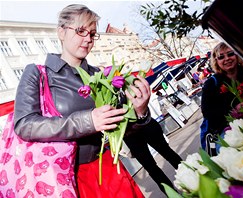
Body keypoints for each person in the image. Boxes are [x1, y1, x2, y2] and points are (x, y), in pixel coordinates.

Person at [13, 4, 152, 198]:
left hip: (109, 171)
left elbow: (119, 131)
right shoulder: (37, 73)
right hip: (67, 178)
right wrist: (89, 121)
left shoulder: (102, 75)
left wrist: (139, 112)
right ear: (61, 32)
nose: (88, 39)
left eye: (93, 34)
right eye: (80, 31)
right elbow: (24, 125)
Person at [200, 41, 243, 152]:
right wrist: (233, 110)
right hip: (228, 128)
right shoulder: (211, 84)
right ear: (216, 61)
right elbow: (208, 112)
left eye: (230, 54)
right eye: (221, 57)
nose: (227, 59)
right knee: (228, 151)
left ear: (237, 55)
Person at [123, 118, 182, 195]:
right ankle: (172, 194)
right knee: (151, 168)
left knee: (167, 153)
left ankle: (192, 182)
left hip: (144, 123)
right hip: (129, 135)